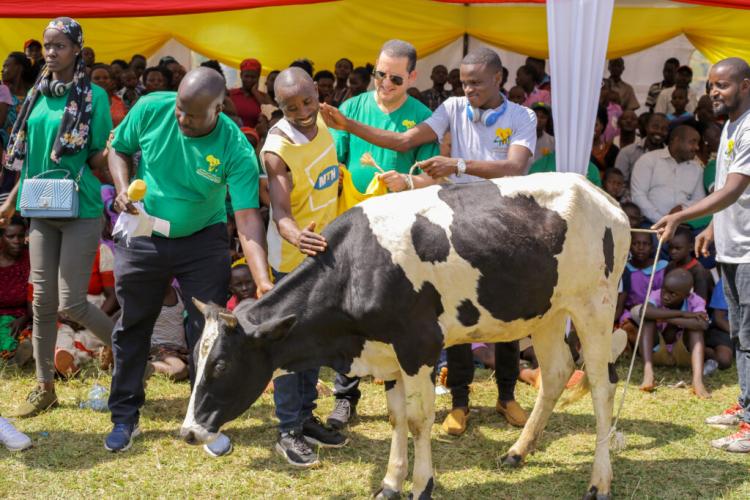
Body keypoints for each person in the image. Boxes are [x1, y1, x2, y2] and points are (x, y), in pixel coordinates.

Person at [320, 47, 535, 435]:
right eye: (464, 83)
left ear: (499, 80)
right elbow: (403, 142)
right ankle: (459, 402)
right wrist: (349, 126)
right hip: (462, 219)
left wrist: (459, 165)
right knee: (455, 309)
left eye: (476, 84)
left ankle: (506, 395)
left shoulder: (523, 116)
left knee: (509, 307)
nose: (468, 90)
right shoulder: (451, 108)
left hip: (507, 220)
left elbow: (516, 167)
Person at [105, 67, 272, 455]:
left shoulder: (234, 146)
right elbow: (118, 147)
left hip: (203, 241)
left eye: (193, 114)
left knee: (207, 333)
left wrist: (263, 280)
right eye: (180, 108)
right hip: (143, 234)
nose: (182, 118)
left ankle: (205, 421)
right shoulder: (150, 107)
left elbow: (247, 218)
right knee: (133, 327)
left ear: (218, 108)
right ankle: (124, 417)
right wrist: (121, 188)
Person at [0, 17, 115, 418]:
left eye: (60, 45)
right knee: (44, 303)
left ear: (77, 50)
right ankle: (44, 387)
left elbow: (100, 154)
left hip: (80, 206)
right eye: (47, 46)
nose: (51, 52)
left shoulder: (94, 97)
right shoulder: (35, 95)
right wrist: (12, 200)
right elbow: (29, 157)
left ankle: (128, 349)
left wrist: (116, 152)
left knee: (73, 303)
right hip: (39, 205)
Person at [325, 39, 440, 430]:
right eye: (379, 74)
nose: (384, 84)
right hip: (355, 226)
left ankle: (401, 388)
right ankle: (345, 396)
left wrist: (407, 181)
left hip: (402, 234)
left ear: (412, 77)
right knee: (349, 309)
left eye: (394, 78)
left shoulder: (423, 117)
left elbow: (435, 178)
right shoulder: (351, 109)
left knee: (398, 310)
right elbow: (333, 164)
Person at [653, 57, 750, 452]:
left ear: (745, 86)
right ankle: (746, 407)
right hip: (731, 245)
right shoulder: (729, 126)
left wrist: (683, 216)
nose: (713, 92)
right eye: (711, 85)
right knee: (742, 334)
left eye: (722, 85)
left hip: (748, 252)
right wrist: (711, 226)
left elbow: (732, 189)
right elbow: (729, 190)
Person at [261, 67, 348, 467]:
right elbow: (280, 212)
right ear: (278, 108)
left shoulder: (328, 122)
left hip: (326, 251)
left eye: (307, 101)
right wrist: (298, 237)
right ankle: (288, 429)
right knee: (288, 347)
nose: (301, 112)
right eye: (290, 107)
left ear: (318, 92)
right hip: (292, 260)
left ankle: (307, 416)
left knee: (315, 340)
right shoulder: (278, 148)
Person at [632, 268, 710, 398]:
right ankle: (648, 373)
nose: (666, 296)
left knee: (696, 329)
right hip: (657, 352)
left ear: (686, 295)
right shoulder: (656, 295)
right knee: (648, 320)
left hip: (683, 354)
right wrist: (683, 314)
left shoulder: (695, 301)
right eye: (665, 290)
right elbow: (644, 312)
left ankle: (697, 380)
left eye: (673, 294)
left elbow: (702, 324)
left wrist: (664, 317)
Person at [53, 240, 118, 376]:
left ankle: (67, 364)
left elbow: (113, 296)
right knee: (62, 334)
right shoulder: (50, 251)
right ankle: (70, 362)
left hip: (94, 314)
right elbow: (39, 296)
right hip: (62, 317)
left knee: (84, 338)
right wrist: (59, 316)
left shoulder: (100, 251)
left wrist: (88, 319)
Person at [631, 125, 705, 223]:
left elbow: (699, 200)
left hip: (683, 224)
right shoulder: (648, 160)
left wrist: (683, 208)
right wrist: (661, 220)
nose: (696, 147)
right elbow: (638, 196)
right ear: (676, 140)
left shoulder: (696, 168)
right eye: (692, 142)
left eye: (697, 143)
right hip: (650, 224)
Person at [619, 232, 669, 348]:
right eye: (636, 243)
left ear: (652, 247)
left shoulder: (661, 268)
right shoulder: (624, 268)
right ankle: (638, 341)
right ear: (629, 246)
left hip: (655, 312)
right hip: (631, 312)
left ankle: (643, 343)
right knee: (626, 322)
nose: (641, 248)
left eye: (645, 244)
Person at [0, 215, 32, 365]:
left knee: (10, 332)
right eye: (10, 236)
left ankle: (14, 356)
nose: (17, 241)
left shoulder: (31, 258)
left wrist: (24, 318)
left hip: (22, 317)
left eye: (20, 236)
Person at [148, 284, 189, 381]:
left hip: (180, 350)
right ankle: (144, 367)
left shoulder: (179, 292)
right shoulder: (146, 294)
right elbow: (120, 317)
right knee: (179, 370)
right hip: (158, 348)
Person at [614, 112, 669, 183]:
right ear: (647, 127)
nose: (659, 131)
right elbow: (619, 184)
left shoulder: (671, 156)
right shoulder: (627, 152)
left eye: (664, 129)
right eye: (655, 127)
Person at [666, 225, 711, 301]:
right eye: (670, 247)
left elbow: (701, 301)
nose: (673, 251)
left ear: (690, 247)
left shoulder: (698, 271)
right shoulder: (670, 266)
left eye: (678, 248)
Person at [704, 278, 734, 373]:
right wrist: (741, 336)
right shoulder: (726, 282)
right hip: (725, 328)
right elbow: (719, 319)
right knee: (723, 360)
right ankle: (701, 351)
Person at [229, 58, 265, 128]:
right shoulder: (231, 94)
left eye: (253, 77)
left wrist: (255, 92)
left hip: (253, 137)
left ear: (258, 77)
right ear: (241, 75)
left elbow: (268, 111)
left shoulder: (263, 98)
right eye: (246, 76)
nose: (249, 80)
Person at [591, 106, 619, 173]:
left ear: (603, 125)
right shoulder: (575, 150)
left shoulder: (612, 150)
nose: (591, 129)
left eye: (595, 125)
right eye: (587, 125)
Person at [528, 101, 554, 169]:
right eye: (535, 115)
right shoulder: (519, 139)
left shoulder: (553, 142)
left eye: (542, 117)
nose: (538, 119)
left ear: (547, 120)